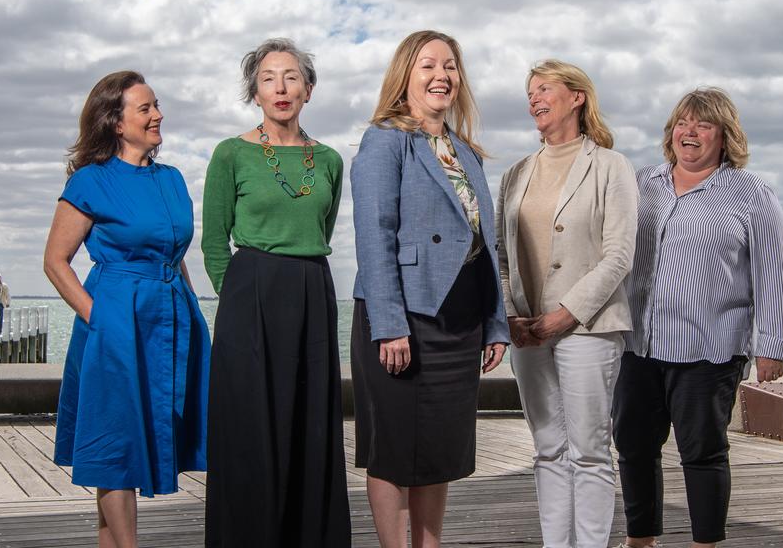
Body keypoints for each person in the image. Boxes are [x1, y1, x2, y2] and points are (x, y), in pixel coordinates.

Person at [614, 87, 783, 548]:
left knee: (701, 451)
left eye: (702, 124)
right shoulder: (641, 184)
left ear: (725, 136)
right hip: (638, 345)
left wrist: (771, 346)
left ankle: (706, 543)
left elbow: (773, 275)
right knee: (633, 447)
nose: (689, 132)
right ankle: (641, 540)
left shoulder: (751, 193)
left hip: (710, 349)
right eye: (682, 123)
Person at [350, 30, 510, 548]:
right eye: (427, 66)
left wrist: (494, 322)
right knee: (394, 449)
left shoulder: (467, 152)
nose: (441, 76)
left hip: (461, 316)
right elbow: (375, 235)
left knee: (440, 447)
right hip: (406, 316)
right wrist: (389, 324)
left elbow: (483, 242)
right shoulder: (385, 139)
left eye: (450, 67)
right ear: (405, 76)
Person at [44, 71, 210, 548]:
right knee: (115, 447)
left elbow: (176, 257)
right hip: (115, 317)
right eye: (145, 109)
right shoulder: (90, 181)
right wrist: (100, 320)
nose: (158, 115)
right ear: (116, 121)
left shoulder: (173, 178)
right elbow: (55, 263)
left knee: (139, 443)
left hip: (172, 316)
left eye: (156, 105)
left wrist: (194, 319)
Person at [202, 38, 350, 548]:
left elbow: (322, 231)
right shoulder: (230, 154)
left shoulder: (329, 160)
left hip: (312, 288)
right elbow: (213, 241)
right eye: (268, 78)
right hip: (251, 293)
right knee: (249, 428)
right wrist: (240, 299)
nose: (281, 87)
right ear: (255, 92)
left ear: (308, 89)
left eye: (291, 77)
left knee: (310, 426)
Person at [496, 60, 638, 548]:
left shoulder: (611, 166)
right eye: (529, 91)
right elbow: (502, 256)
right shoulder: (515, 173)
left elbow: (619, 255)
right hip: (527, 332)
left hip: (589, 327)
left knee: (591, 452)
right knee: (548, 449)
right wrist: (512, 316)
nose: (533, 98)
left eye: (543, 89)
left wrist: (567, 314)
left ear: (577, 97)